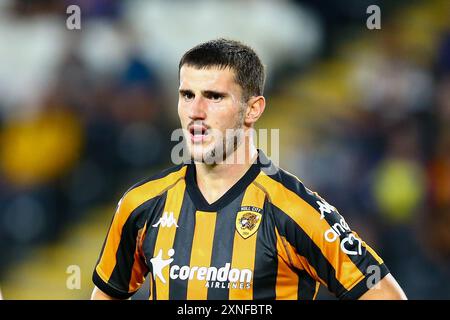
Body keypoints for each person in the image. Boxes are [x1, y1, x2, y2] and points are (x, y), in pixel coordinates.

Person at [91, 39, 406, 300]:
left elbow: (385, 295)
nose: (195, 112)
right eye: (187, 95)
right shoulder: (142, 204)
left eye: (214, 97)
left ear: (253, 109)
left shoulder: (294, 210)